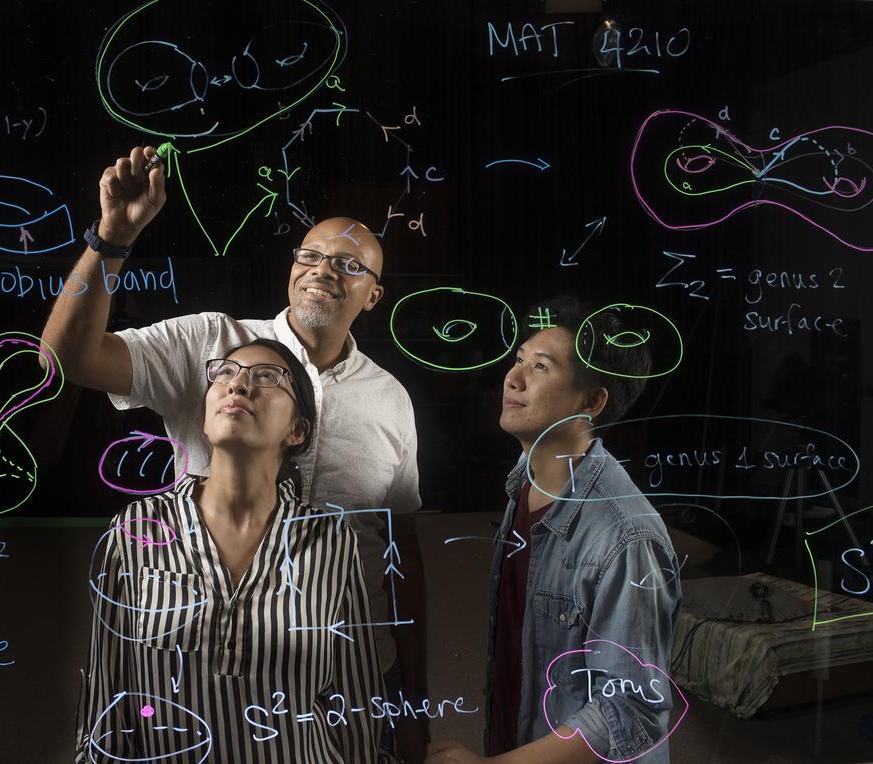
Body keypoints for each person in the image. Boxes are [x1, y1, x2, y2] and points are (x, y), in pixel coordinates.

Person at [44, 146, 430, 759]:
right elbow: (64, 360)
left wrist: (411, 702)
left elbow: (398, 550)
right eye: (310, 255)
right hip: (194, 671)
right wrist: (110, 239)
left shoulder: (390, 402)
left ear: (374, 295)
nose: (323, 270)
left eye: (348, 264)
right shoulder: (211, 345)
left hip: (337, 674)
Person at [76, 338, 395, 762]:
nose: (239, 385)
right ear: (204, 417)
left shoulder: (330, 540)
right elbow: (106, 702)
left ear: (297, 429)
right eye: (225, 373)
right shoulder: (138, 530)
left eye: (267, 377)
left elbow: (357, 708)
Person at [427, 297, 682, 764]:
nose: (513, 377)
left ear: (592, 401)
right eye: (520, 359)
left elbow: (631, 711)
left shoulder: (624, 537)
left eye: (540, 367)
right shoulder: (526, 481)